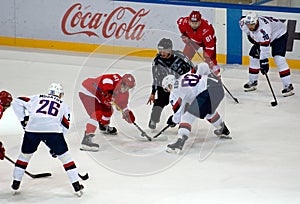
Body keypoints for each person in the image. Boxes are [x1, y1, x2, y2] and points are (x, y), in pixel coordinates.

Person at [11, 83, 84, 196]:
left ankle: (16, 183)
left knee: (24, 156)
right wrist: (57, 146)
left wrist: (23, 119)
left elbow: (16, 102)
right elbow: (65, 126)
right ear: (60, 94)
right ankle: (76, 185)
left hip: (32, 129)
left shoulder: (37, 97)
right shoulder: (64, 105)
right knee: (65, 157)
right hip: (53, 132)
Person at [162, 63, 231, 154]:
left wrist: (173, 120)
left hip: (207, 93)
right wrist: (209, 73)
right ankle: (223, 129)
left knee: (187, 117)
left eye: (166, 89)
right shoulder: (186, 75)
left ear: (169, 85)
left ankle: (179, 142)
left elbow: (178, 115)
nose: (168, 91)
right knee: (208, 112)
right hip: (218, 88)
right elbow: (203, 66)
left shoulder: (174, 92)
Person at [240, 12, 294, 97]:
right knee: (254, 57)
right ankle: (253, 82)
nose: (250, 27)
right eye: (248, 24)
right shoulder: (243, 23)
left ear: (256, 22)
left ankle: (288, 86)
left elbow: (264, 50)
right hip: (269, 32)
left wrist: (264, 63)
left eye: (252, 24)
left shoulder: (263, 31)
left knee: (279, 58)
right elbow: (247, 31)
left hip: (279, 34)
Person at [147, 38, 196, 130]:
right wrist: (153, 92)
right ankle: (154, 119)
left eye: (164, 51)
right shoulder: (157, 61)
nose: (162, 53)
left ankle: (177, 120)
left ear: (170, 49)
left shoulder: (181, 57)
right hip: (165, 85)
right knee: (161, 101)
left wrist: (192, 83)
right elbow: (156, 78)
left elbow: (192, 69)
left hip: (181, 85)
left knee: (181, 103)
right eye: (160, 51)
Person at [79, 73, 136, 151]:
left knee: (108, 111)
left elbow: (123, 106)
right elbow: (106, 80)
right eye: (126, 87)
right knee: (97, 113)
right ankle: (86, 139)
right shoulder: (114, 79)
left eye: (129, 88)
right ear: (122, 82)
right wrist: (107, 92)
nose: (126, 89)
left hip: (100, 97)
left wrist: (127, 113)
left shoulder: (124, 94)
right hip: (89, 91)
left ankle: (103, 126)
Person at [177, 10, 220, 76]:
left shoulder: (206, 30)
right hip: (193, 41)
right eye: (192, 23)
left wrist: (208, 57)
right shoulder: (184, 23)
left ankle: (217, 76)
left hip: (208, 42)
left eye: (196, 23)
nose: (194, 25)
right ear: (189, 21)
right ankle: (183, 75)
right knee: (185, 58)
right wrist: (184, 35)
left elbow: (210, 46)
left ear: (200, 21)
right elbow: (179, 23)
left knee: (210, 61)